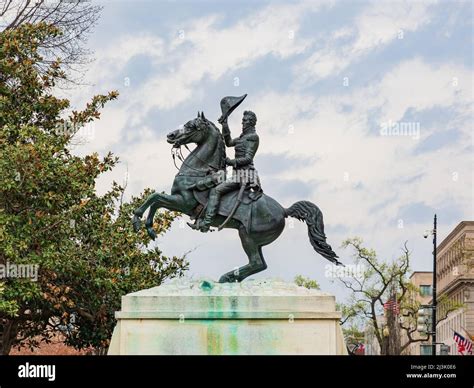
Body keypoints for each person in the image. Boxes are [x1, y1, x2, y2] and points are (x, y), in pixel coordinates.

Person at [189, 110, 260, 232]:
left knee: (216, 190)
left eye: (245, 121)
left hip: (244, 175)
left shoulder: (253, 138)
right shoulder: (242, 137)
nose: (243, 123)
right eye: (242, 120)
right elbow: (228, 142)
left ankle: (206, 223)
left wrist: (230, 162)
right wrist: (225, 125)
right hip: (236, 174)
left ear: (252, 123)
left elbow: (248, 158)